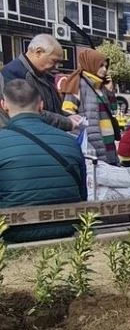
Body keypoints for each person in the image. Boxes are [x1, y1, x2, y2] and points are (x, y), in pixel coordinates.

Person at [0, 80, 87, 243]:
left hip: (14, 232)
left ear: (4, 105)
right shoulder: (69, 141)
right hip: (67, 227)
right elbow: (82, 193)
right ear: (41, 105)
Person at [0, 34, 81, 132]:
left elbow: (52, 109)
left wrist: (69, 116)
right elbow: (27, 112)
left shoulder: (44, 75)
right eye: (54, 61)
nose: (56, 67)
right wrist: (67, 122)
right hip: (26, 138)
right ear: (38, 52)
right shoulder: (13, 73)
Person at [60, 49, 121, 166]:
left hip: (108, 142)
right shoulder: (78, 84)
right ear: (91, 64)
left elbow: (113, 111)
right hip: (93, 143)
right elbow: (67, 113)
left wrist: (110, 92)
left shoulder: (102, 86)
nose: (104, 69)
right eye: (100, 66)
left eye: (106, 66)